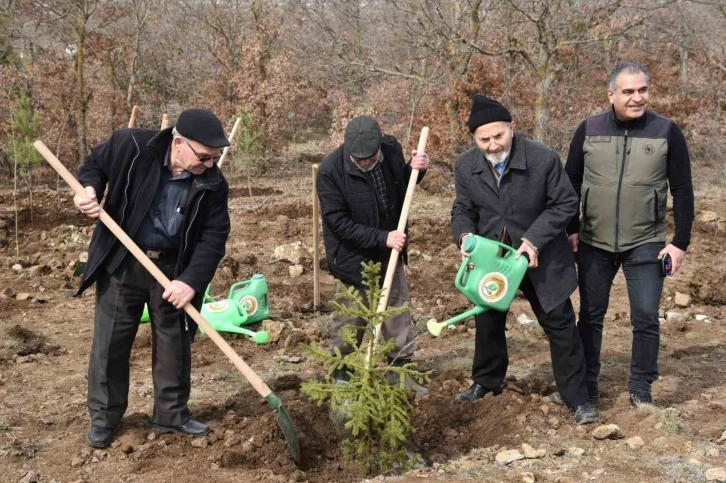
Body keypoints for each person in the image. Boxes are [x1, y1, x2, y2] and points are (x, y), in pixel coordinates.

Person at [74, 108, 231, 448]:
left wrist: (190, 281)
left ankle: (171, 415)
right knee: (110, 344)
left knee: (174, 344)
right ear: (178, 143)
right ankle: (104, 418)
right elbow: (94, 166)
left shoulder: (213, 183)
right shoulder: (131, 146)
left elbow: (214, 237)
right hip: (124, 261)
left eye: (215, 158)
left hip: (173, 269)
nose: (210, 164)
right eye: (204, 157)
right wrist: (87, 190)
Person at [451, 95, 598, 425]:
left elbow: (563, 203)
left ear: (512, 129)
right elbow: (462, 209)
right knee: (487, 322)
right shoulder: (465, 166)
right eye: (483, 139)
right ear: (474, 139)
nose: (492, 145)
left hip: (540, 257)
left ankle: (577, 398)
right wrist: (464, 237)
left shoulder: (542, 157)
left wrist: (533, 240)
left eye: (498, 136)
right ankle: (487, 383)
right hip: (493, 258)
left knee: (560, 325)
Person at [560, 61, 694, 407]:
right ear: (611, 94)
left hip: (645, 242)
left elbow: (682, 189)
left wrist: (679, 243)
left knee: (646, 317)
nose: (637, 98)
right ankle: (586, 385)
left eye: (642, 90)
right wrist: (572, 229)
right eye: (628, 91)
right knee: (590, 315)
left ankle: (640, 387)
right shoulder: (588, 129)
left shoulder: (667, 131)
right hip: (593, 241)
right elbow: (569, 182)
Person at [316, 115, 430, 395]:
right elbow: (338, 223)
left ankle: (398, 370)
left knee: (397, 310)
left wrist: (416, 169)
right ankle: (342, 374)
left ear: (379, 146)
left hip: (391, 249)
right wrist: (383, 238)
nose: (365, 162)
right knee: (351, 316)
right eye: (359, 159)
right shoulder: (331, 171)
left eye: (370, 157)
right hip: (352, 256)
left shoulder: (390, 148)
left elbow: (401, 189)